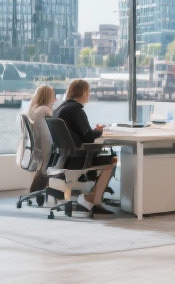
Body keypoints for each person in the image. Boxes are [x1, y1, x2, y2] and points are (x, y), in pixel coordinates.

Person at [52, 79, 116, 214]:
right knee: (112, 159)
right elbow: (88, 137)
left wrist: (92, 132)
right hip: (77, 159)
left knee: (103, 155)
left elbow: (78, 133)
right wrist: (99, 131)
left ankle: (91, 198)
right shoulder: (76, 109)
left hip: (62, 158)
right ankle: (93, 200)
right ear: (83, 92)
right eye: (88, 91)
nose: (89, 94)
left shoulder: (59, 109)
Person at [19, 85, 57, 192]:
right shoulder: (45, 110)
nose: (55, 99)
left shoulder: (33, 110)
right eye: (53, 96)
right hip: (46, 148)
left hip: (37, 148)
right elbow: (49, 133)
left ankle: (40, 192)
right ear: (48, 96)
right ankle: (40, 191)